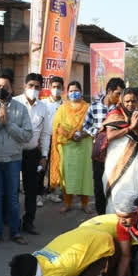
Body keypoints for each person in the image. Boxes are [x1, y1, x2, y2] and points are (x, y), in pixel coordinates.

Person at [0, 70, 33, 246]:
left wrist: (8, 124)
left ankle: (15, 232)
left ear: (12, 89)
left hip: (13, 159)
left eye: (6, 87)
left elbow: (26, 135)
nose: (2, 89)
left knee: (12, 198)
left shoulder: (21, 109)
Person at [14, 73, 51, 235]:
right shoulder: (14, 103)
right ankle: (12, 222)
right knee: (11, 190)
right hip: (13, 153)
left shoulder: (44, 108)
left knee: (31, 191)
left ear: (41, 89)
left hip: (32, 154)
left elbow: (45, 134)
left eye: (37, 87)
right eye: (31, 86)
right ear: (24, 86)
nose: (33, 89)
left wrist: (44, 156)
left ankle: (29, 222)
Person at [49, 81, 94, 213]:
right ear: (67, 93)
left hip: (84, 145)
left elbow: (93, 125)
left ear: (81, 91)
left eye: (76, 90)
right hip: (67, 147)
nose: (74, 93)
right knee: (67, 175)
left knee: (84, 175)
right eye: (71, 91)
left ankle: (84, 203)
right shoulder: (62, 108)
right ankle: (67, 203)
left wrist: (83, 135)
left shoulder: (88, 108)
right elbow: (57, 127)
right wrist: (70, 135)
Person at [84, 77, 125, 215]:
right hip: (99, 151)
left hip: (116, 152)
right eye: (117, 94)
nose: (119, 97)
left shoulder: (121, 109)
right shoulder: (94, 107)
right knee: (98, 183)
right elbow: (86, 126)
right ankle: (101, 214)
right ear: (109, 91)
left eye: (121, 94)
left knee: (114, 183)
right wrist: (99, 133)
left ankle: (113, 213)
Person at [102, 88, 138, 213]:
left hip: (133, 160)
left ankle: (132, 222)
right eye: (127, 101)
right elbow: (110, 136)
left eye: (133, 101)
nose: (130, 104)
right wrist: (131, 127)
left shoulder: (137, 115)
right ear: (121, 101)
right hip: (116, 160)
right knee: (116, 189)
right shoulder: (115, 114)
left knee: (131, 189)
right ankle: (113, 220)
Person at [42, 76, 65, 204]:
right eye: (54, 87)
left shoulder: (65, 105)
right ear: (50, 88)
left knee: (57, 167)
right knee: (43, 166)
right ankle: (39, 194)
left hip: (60, 141)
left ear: (63, 89)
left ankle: (53, 192)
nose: (56, 89)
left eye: (59, 87)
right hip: (46, 138)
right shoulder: (44, 104)